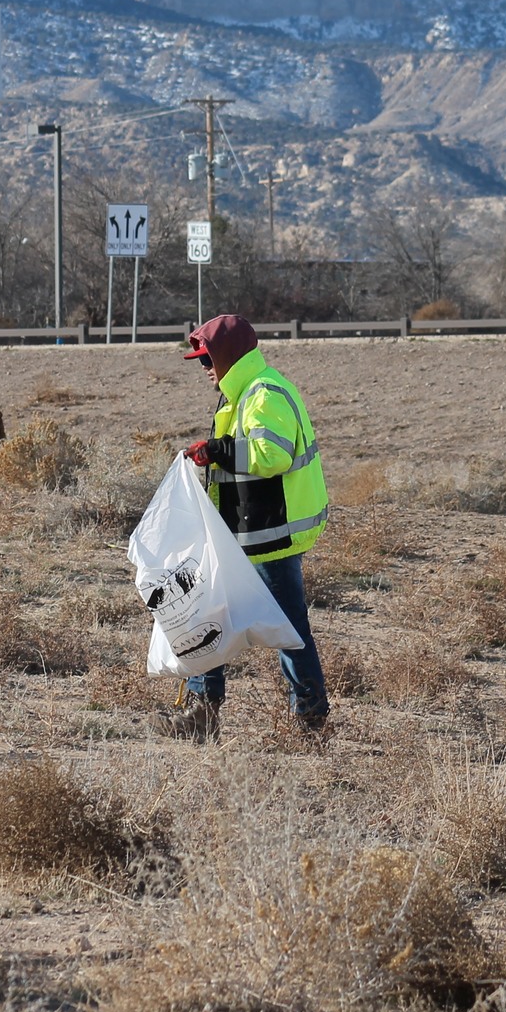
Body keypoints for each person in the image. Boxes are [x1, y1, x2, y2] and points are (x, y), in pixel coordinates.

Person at [162, 314, 331, 740]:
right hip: (244, 534)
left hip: (270, 537)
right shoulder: (240, 394)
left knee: (290, 632)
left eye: (207, 360)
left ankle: (310, 721)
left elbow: (270, 455)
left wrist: (215, 450)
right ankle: (202, 714)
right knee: (208, 615)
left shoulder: (264, 393)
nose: (204, 370)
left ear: (228, 357)